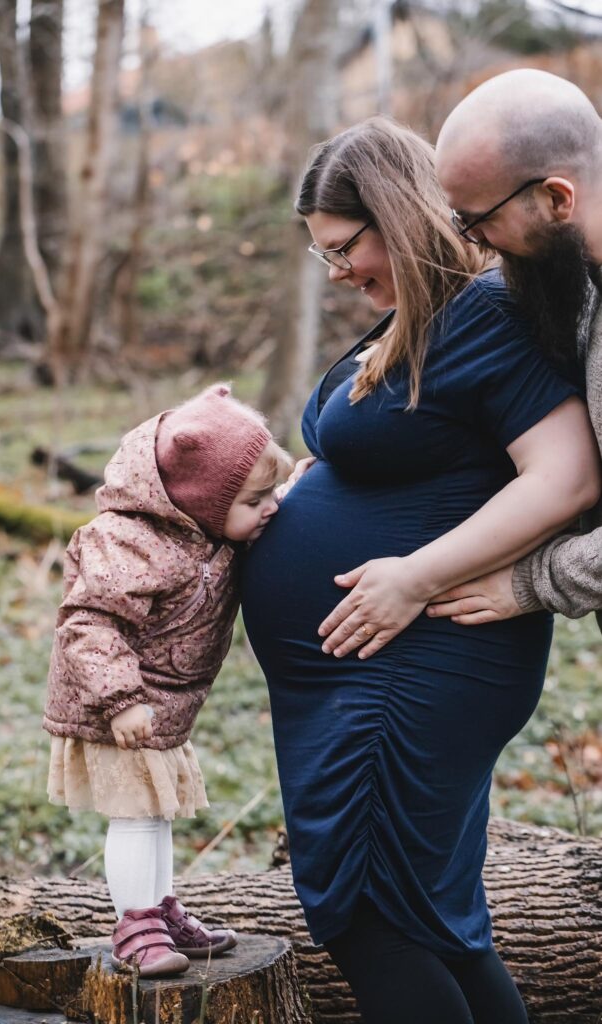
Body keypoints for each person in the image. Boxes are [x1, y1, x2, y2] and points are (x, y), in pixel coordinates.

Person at [240, 116, 601, 1024]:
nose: (337, 273)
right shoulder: (419, 319)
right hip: (368, 671)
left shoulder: (487, 313)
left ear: (395, 218)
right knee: (435, 924)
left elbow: (565, 476)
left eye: (344, 248)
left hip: (416, 663)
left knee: (371, 919)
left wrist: (412, 576)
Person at [43, 384, 290, 977]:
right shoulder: (129, 543)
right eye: (258, 499)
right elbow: (88, 623)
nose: (272, 507)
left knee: (155, 815)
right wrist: (121, 699)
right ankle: (135, 928)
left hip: (160, 705)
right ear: (200, 501)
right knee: (135, 818)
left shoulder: (203, 532)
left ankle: (158, 909)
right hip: (117, 708)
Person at [431, 68, 602, 628]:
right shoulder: (576, 285)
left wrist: (532, 580)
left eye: (479, 220)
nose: (473, 241)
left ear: (556, 198)